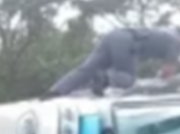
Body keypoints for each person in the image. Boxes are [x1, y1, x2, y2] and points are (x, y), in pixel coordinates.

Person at [47, 26, 180, 98]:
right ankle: (103, 78)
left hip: (115, 35)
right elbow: (168, 71)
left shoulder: (166, 31)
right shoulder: (175, 41)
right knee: (128, 79)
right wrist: (162, 82)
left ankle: (55, 91)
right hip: (128, 43)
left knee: (86, 69)